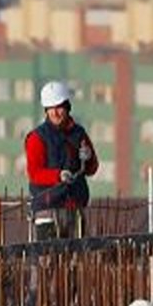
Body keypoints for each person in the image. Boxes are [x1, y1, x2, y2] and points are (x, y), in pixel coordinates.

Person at [25, 80, 99, 240]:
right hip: (47, 209)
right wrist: (58, 176)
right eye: (51, 109)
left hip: (75, 208)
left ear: (67, 107)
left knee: (74, 261)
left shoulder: (79, 134)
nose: (55, 113)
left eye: (59, 108)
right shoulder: (37, 138)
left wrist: (89, 157)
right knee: (48, 260)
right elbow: (35, 173)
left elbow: (92, 169)